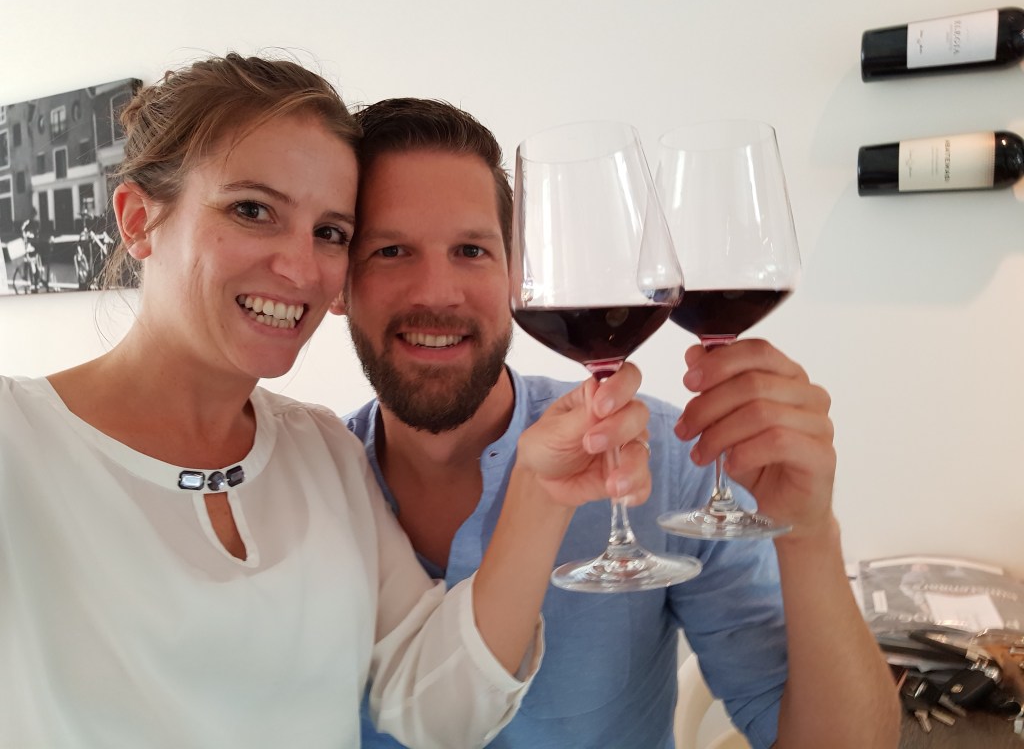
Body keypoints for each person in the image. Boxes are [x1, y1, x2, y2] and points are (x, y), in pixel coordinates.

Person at [0, 54, 656, 749]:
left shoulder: (323, 453)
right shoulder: (17, 442)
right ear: (138, 219)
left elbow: (440, 712)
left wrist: (540, 492)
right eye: (253, 211)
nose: (300, 268)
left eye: (330, 233)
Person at [339, 98, 901, 748]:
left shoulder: (672, 457)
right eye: (390, 250)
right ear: (337, 283)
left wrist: (809, 534)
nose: (437, 292)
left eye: (471, 249)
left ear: (517, 273)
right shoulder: (306, 486)